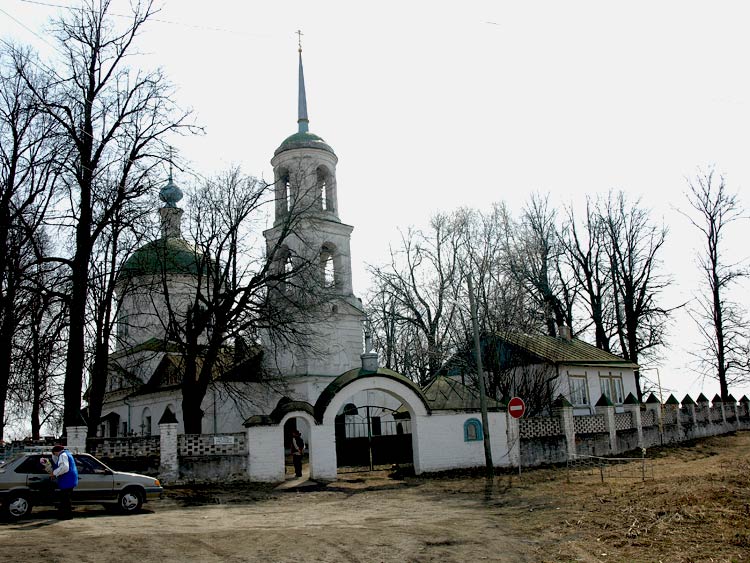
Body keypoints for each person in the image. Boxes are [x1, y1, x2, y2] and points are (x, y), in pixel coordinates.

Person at [50, 444, 79, 518]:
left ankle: (67, 515)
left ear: (56, 452)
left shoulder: (62, 455)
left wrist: (54, 473)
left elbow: (64, 467)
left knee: (65, 499)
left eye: (54, 453)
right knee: (66, 498)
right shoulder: (68, 454)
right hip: (71, 479)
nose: (55, 455)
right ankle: (66, 514)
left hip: (67, 479)